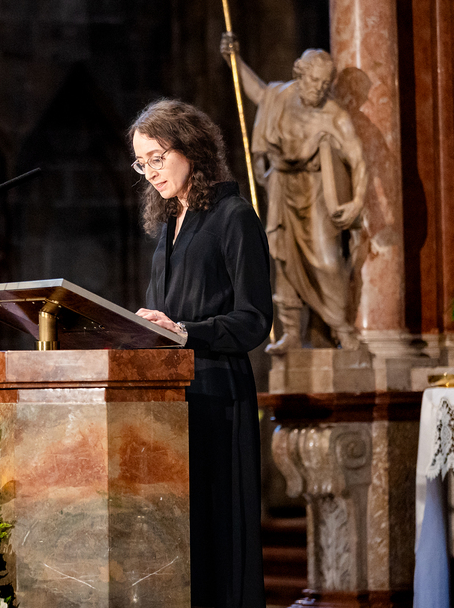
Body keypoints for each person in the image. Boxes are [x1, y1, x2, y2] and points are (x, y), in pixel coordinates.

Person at [132, 99, 272, 608]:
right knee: (182, 533)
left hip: (217, 393)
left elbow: (254, 318)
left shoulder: (233, 216)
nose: (151, 172)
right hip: (173, 397)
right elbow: (164, 315)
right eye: (141, 163)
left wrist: (185, 331)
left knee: (219, 527)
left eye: (158, 158)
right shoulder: (170, 225)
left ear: (190, 148)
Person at [220, 33, 367, 353]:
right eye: (314, 81)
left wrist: (357, 201)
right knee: (284, 263)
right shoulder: (280, 96)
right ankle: (290, 333)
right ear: (300, 75)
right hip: (283, 188)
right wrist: (235, 60)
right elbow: (258, 92)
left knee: (328, 262)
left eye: (325, 84)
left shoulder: (334, 115)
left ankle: (341, 327)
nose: (319, 89)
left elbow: (358, 159)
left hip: (317, 192)